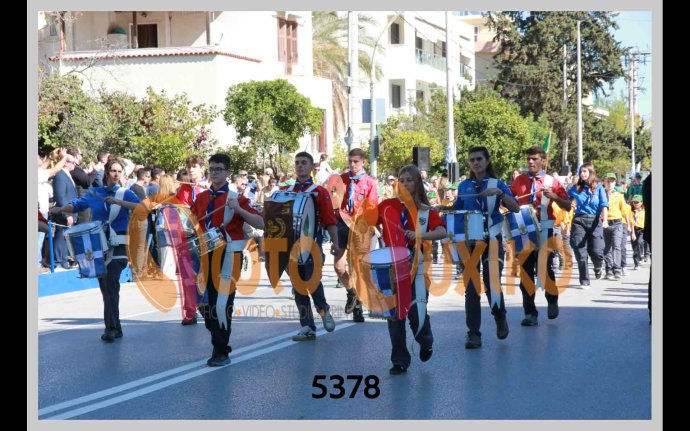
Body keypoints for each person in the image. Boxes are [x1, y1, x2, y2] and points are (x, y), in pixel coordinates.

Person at [50, 158, 142, 342]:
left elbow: (143, 207)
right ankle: (115, 326)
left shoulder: (126, 193)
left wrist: (119, 202)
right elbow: (76, 205)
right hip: (99, 245)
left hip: (118, 245)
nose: (116, 174)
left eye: (119, 171)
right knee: (106, 288)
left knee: (111, 282)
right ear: (107, 172)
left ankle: (111, 328)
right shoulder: (95, 193)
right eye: (113, 171)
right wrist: (59, 210)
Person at [190, 154, 264, 366]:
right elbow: (192, 224)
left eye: (218, 169)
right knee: (204, 301)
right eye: (211, 169)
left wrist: (238, 209)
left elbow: (261, 223)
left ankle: (221, 350)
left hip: (229, 254)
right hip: (206, 254)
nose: (214, 173)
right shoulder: (201, 198)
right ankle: (217, 336)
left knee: (222, 302)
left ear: (227, 173)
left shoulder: (236, 198)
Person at [375, 164, 446, 374]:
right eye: (401, 180)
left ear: (417, 184)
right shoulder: (386, 205)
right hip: (392, 269)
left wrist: (421, 235)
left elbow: (442, 231)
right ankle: (399, 360)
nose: (404, 184)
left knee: (415, 314)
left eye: (409, 180)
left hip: (417, 269)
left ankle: (425, 340)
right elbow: (367, 221)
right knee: (395, 317)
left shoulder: (425, 210)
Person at [453, 147, 519, 348]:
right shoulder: (464, 186)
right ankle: (473, 333)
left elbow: (515, 207)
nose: (475, 163)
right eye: (472, 159)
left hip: (492, 238)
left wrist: (500, 194)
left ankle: (499, 315)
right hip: (469, 241)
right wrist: (442, 209)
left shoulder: (497, 184)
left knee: (492, 282)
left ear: (487, 161)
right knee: (471, 288)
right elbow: (457, 208)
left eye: (479, 159)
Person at [279, 152, 340, 341]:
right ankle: (307, 326)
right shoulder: (287, 191)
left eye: (304, 162)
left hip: (312, 245)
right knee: (298, 286)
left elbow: (329, 220)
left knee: (312, 281)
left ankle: (324, 310)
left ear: (312, 166)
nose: (300, 165)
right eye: (297, 162)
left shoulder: (319, 191)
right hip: (291, 247)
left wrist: (336, 242)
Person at [510, 146, 571, 325]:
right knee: (525, 271)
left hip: (545, 229)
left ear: (543, 161)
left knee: (544, 268)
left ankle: (552, 300)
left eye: (535, 159)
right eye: (529, 159)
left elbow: (568, 205)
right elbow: (509, 199)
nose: (530, 162)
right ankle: (530, 313)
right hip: (524, 230)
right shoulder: (519, 180)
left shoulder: (552, 181)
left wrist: (554, 196)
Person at [335, 148, 379, 322]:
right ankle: (351, 293)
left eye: (356, 161)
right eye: (350, 161)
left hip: (360, 227)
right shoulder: (341, 179)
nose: (352, 165)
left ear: (363, 162)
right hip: (342, 224)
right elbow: (332, 199)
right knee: (339, 267)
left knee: (356, 269)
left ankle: (358, 307)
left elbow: (372, 206)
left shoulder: (369, 182)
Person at [567, 164, 608, 289]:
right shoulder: (575, 188)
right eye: (581, 171)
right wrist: (570, 203)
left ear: (591, 172)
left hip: (595, 220)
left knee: (597, 251)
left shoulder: (599, 188)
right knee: (580, 252)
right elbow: (566, 200)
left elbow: (604, 204)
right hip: (579, 220)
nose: (582, 174)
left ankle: (598, 266)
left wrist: (605, 220)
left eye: (585, 171)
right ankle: (584, 280)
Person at [602, 173, 626, 281]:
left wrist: (626, 224)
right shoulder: (601, 194)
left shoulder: (619, 195)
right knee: (606, 247)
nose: (610, 183)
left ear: (615, 182)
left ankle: (617, 269)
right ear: (604, 182)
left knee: (616, 245)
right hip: (605, 223)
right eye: (608, 181)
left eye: (612, 181)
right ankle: (609, 270)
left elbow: (623, 210)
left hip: (617, 223)